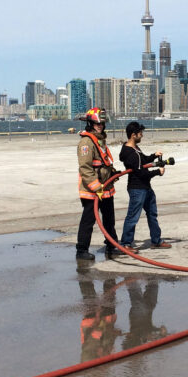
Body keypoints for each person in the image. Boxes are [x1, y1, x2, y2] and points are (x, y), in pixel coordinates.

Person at [119, 121, 171, 250]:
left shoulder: (135, 149)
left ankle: (156, 240)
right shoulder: (131, 153)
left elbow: (143, 161)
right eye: (140, 133)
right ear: (133, 135)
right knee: (133, 217)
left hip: (145, 187)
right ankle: (126, 244)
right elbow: (141, 173)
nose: (142, 135)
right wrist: (157, 172)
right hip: (137, 189)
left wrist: (154, 156)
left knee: (152, 214)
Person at [76, 107, 118, 261]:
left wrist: (112, 174)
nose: (100, 126)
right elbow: (85, 168)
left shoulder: (100, 140)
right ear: (90, 124)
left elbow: (103, 163)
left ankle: (112, 246)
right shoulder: (86, 143)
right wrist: (96, 187)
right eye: (97, 123)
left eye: (102, 124)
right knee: (88, 221)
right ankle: (82, 250)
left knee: (109, 220)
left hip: (105, 189)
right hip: (92, 191)